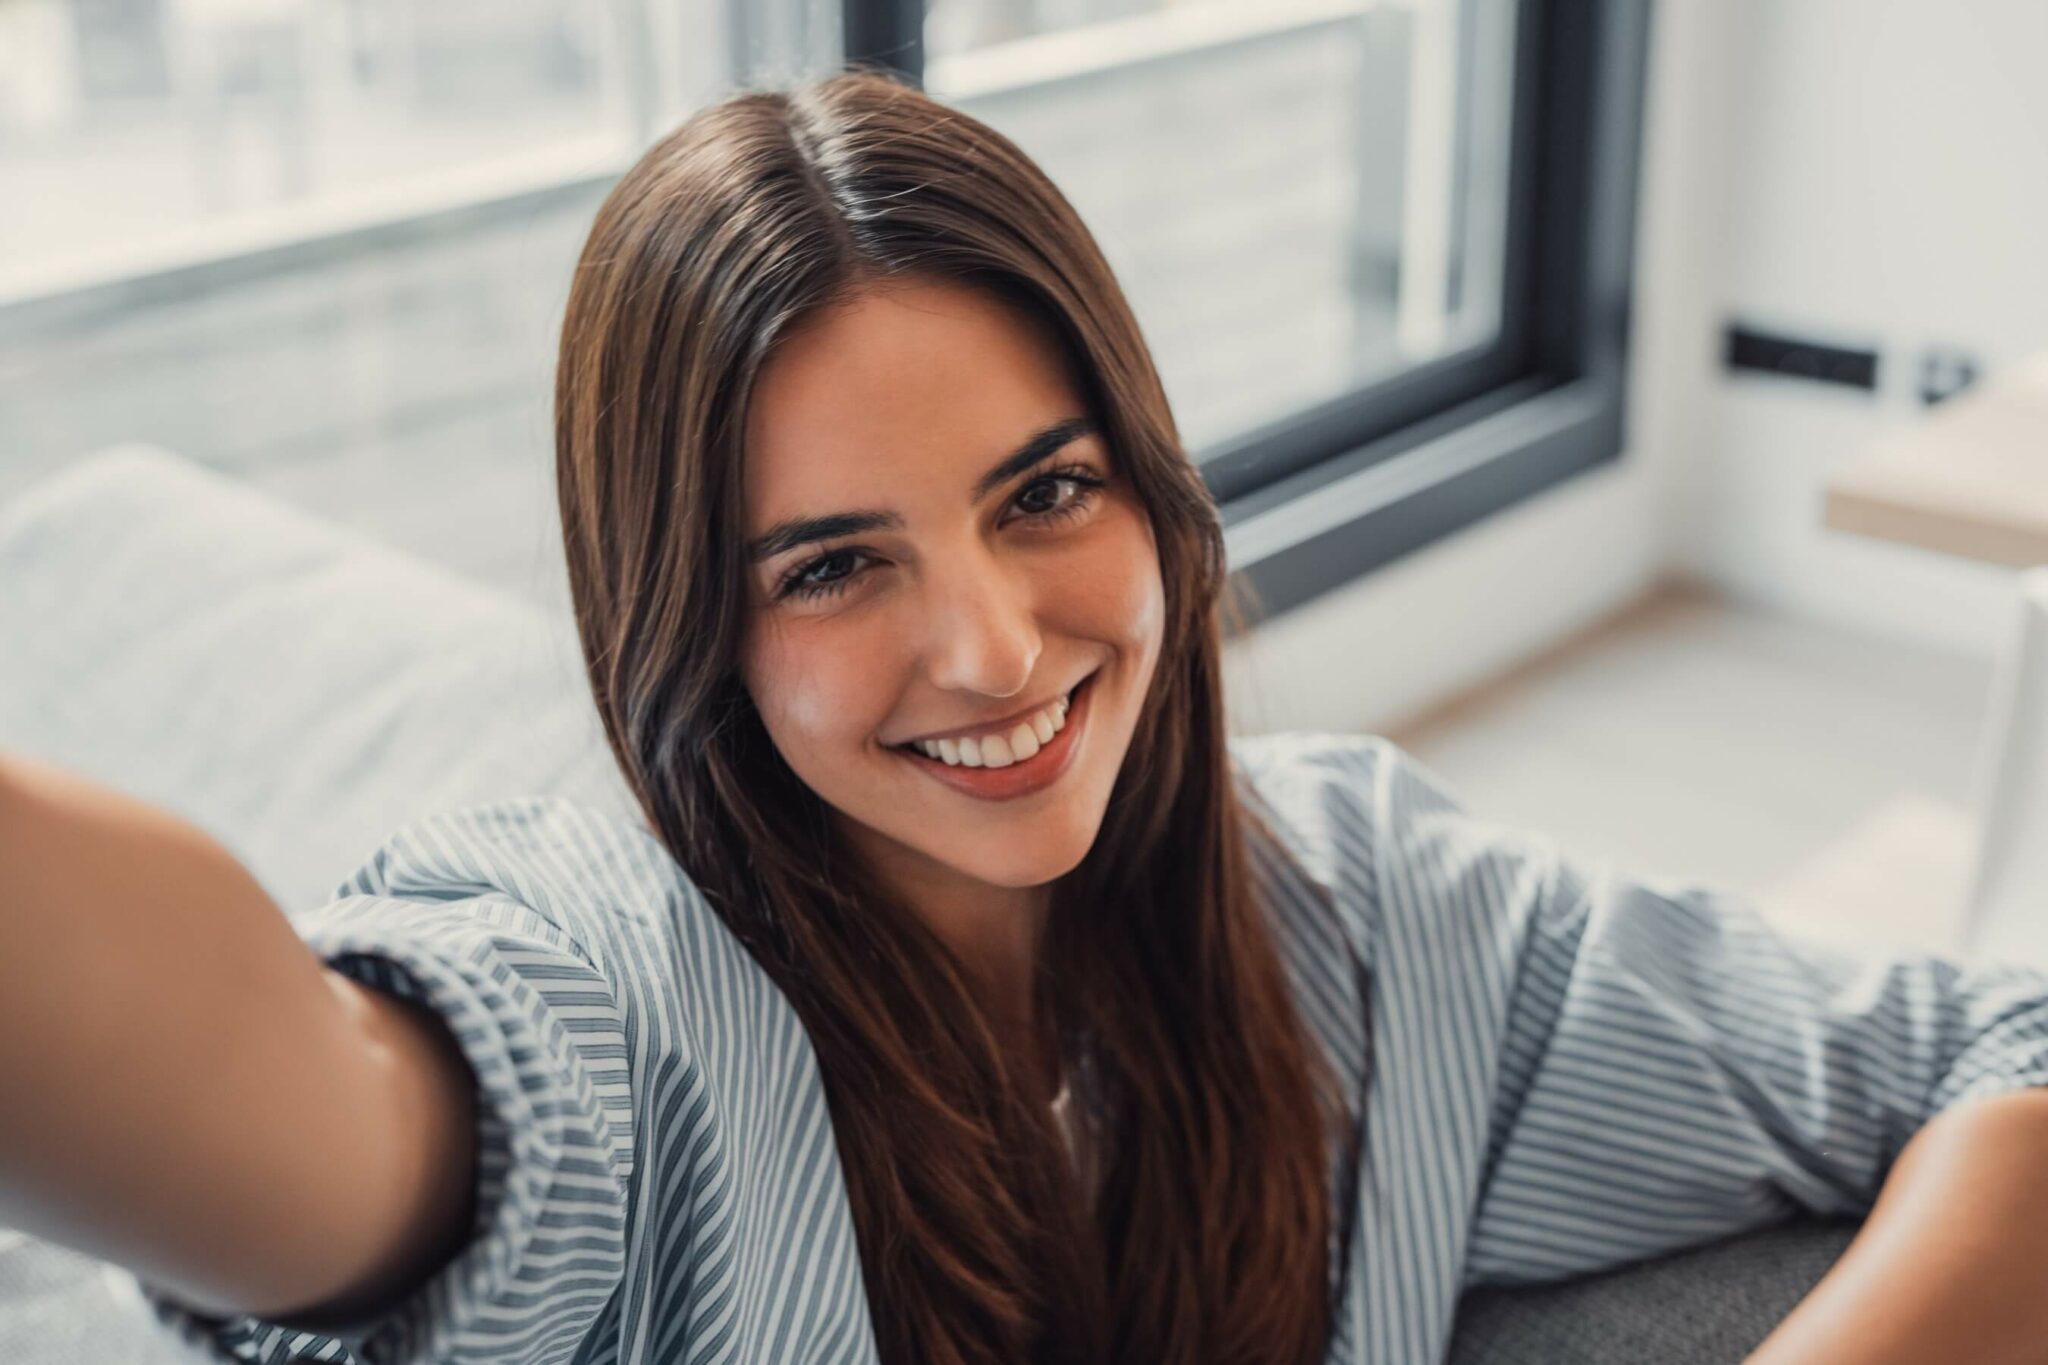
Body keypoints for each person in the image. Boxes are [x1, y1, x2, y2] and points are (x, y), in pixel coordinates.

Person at [6, 67, 2048, 1365]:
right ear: (687, 625)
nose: (991, 650)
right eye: (830, 564)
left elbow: (2004, 1046)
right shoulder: (602, 995)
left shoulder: (1386, 910)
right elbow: (308, 1087)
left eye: (1044, 492)